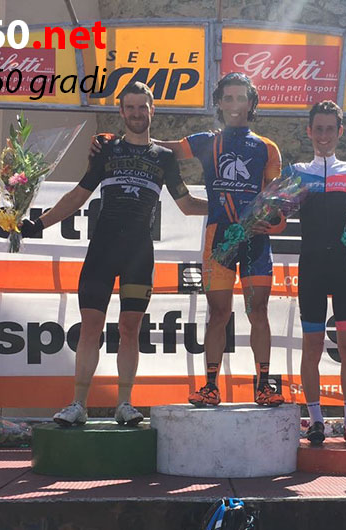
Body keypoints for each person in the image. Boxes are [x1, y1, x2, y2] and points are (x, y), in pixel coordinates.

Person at [91, 72, 286, 408]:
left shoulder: (267, 148)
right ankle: (210, 387)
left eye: (241, 98)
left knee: (258, 310)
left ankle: (264, 386)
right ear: (219, 102)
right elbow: (159, 148)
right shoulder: (206, 141)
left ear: (251, 103)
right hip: (218, 238)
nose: (234, 104)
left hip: (255, 241)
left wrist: (275, 221)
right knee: (219, 313)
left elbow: (275, 199)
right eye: (228, 98)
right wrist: (115, 142)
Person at [21, 81, 207, 427]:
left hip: (139, 254)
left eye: (142, 107)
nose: (137, 113)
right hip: (102, 250)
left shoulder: (164, 158)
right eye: (130, 107)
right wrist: (39, 223)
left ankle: (124, 403)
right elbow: (78, 195)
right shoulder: (106, 150)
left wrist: (227, 208)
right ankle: (78, 404)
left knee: (129, 328)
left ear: (152, 110)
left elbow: (185, 204)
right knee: (90, 327)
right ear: (121, 112)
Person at [285, 101, 346, 444]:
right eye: (319, 129)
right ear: (309, 131)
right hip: (312, 268)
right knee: (312, 346)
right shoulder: (298, 172)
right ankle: (315, 421)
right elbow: (279, 211)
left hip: (345, 269)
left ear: (340, 132)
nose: (324, 135)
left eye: (330, 129)